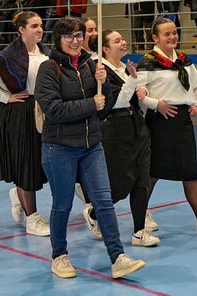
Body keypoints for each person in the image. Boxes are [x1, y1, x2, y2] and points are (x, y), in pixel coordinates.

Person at [34, 16, 146, 280]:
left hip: (91, 145)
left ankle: (117, 257)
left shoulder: (90, 65)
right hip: (59, 146)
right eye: (69, 36)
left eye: (79, 35)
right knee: (62, 204)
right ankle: (59, 256)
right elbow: (53, 109)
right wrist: (90, 104)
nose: (75, 41)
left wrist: (104, 83)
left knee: (104, 202)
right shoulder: (49, 69)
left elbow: (104, 107)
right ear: (59, 40)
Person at [135, 17, 197, 235]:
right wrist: (157, 105)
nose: (172, 37)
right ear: (155, 38)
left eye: (174, 32)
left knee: (189, 170)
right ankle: (141, 214)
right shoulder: (147, 62)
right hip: (159, 121)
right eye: (167, 34)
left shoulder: (184, 59)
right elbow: (138, 94)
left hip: (183, 121)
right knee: (153, 171)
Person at [0, 11, 52, 236]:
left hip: (44, 110)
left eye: (40, 26)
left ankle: (19, 195)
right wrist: (6, 97)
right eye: (34, 26)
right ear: (21, 30)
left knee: (41, 163)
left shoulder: (45, 52)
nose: (39, 29)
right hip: (20, 113)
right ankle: (32, 218)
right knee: (26, 164)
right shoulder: (9, 56)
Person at [95, 29, 160, 247]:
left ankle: (139, 231)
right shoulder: (101, 72)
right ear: (105, 48)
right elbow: (116, 102)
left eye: (123, 39)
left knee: (143, 179)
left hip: (137, 127)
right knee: (120, 183)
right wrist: (133, 82)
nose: (123, 42)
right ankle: (95, 213)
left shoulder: (124, 68)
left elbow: (133, 98)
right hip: (115, 130)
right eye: (116, 41)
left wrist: (143, 93)